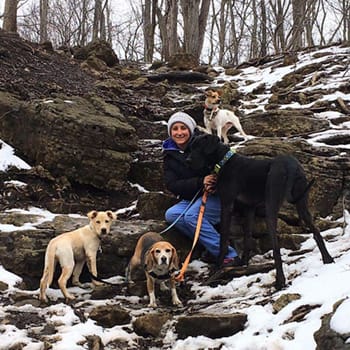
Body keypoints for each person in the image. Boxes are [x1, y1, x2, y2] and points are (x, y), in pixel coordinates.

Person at [162, 111, 242, 267]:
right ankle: (209, 246)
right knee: (171, 215)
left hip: (217, 195)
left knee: (192, 217)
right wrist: (200, 182)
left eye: (183, 128)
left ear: (190, 129)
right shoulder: (169, 154)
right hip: (194, 195)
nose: (179, 132)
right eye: (175, 129)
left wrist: (214, 182)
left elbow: (226, 167)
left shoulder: (206, 143)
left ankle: (228, 254)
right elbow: (172, 185)